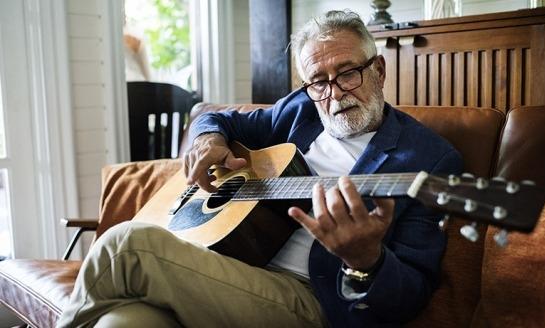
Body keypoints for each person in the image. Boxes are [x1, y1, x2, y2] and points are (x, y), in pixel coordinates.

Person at [58, 10, 462, 328]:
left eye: (348, 73)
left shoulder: (428, 159)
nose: (334, 93)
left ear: (378, 70)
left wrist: (367, 261)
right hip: (229, 266)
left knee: (125, 244)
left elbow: (412, 293)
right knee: (122, 322)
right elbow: (220, 120)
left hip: (311, 299)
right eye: (318, 81)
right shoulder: (300, 110)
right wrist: (206, 139)